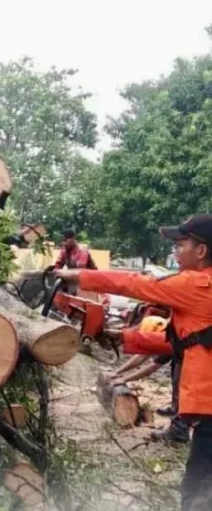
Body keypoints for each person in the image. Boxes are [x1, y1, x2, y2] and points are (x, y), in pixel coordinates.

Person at [55, 214, 212, 510]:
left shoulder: (197, 284)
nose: (176, 251)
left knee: (198, 492)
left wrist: (79, 276)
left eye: (181, 245)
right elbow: (184, 343)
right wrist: (123, 337)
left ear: (201, 251)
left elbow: (135, 283)